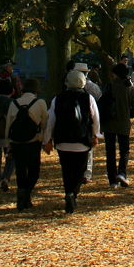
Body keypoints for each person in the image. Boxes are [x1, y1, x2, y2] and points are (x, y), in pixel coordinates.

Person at [44, 69, 100, 213]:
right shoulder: (88, 98)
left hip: (63, 141)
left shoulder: (58, 98)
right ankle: (73, 194)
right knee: (80, 170)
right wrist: (95, 135)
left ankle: (68, 192)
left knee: (66, 169)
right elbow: (95, 119)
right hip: (82, 140)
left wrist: (47, 139)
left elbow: (51, 120)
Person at [6, 77, 48, 210]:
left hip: (17, 142)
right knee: (34, 171)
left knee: (20, 170)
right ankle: (27, 194)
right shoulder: (40, 102)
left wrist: (8, 144)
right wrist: (46, 140)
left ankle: (22, 193)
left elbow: (9, 124)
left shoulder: (14, 103)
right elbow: (45, 124)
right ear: (36, 90)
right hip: (33, 142)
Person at [100, 62, 134, 188]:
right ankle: (122, 173)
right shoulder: (130, 88)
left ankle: (112, 180)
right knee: (124, 150)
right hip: (124, 122)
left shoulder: (110, 86)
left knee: (110, 152)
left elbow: (103, 103)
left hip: (109, 123)